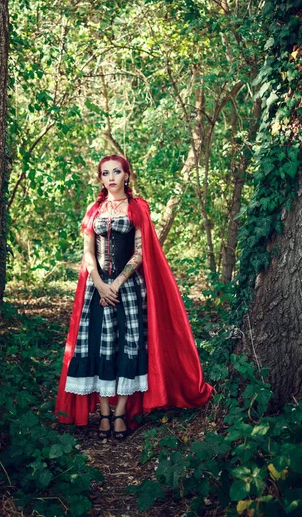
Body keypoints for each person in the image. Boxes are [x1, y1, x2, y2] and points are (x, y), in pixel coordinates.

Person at [55, 154, 212, 440]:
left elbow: (140, 252)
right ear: (100, 177)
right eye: (105, 173)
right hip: (97, 288)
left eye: (117, 172)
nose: (111, 177)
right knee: (99, 347)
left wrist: (116, 284)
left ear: (127, 175)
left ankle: (119, 416)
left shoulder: (137, 208)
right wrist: (101, 285)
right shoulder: (94, 210)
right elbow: (88, 253)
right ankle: (103, 416)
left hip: (127, 289)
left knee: (128, 346)